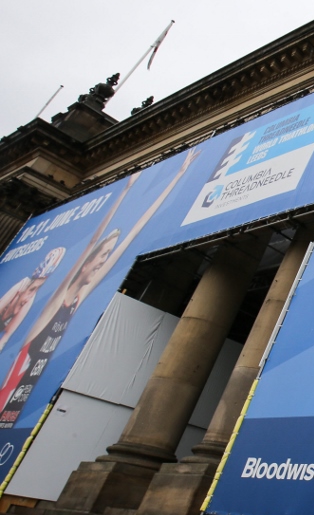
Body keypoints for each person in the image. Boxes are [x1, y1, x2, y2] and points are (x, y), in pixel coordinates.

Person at [0, 151, 197, 429]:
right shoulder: (60, 297)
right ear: (88, 258)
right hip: (13, 384)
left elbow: (132, 235)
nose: (103, 261)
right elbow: (94, 239)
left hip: (30, 389)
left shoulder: (80, 297)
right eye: (101, 255)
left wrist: (178, 175)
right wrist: (124, 191)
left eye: (106, 257)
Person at [0, 247, 66, 354]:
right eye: (32, 289)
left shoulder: (29, 301)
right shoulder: (21, 286)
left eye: (37, 290)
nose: (29, 297)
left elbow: (7, 335)